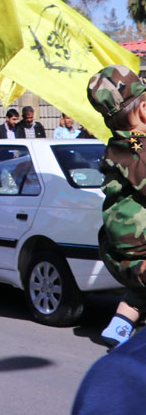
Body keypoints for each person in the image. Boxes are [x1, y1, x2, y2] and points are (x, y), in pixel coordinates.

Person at [86, 66, 146, 357]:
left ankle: (119, 325)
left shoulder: (118, 146)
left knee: (139, 293)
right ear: (144, 110)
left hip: (121, 250)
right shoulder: (139, 150)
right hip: (139, 246)